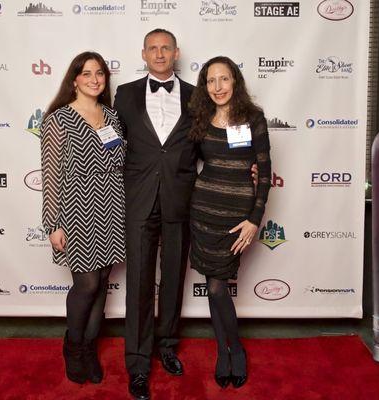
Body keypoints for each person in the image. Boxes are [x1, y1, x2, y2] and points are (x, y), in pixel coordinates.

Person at [113, 29, 196, 400]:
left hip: (180, 198)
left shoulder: (197, 96)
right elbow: (113, 144)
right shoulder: (125, 94)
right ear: (143, 54)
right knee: (141, 283)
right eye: (153, 48)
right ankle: (138, 362)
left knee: (175, 276)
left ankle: (167, 346)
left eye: (166, 48)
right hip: (139, 198)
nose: (160, 54)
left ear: (176, 53)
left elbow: (210, 143)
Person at [40, 51, 126, 384]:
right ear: (74, 79)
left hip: (113, 208)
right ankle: (73, 347)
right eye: (87, 73)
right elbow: (50, 173)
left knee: (102, 281)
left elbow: (121, 159)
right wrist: (53, 223)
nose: (94, 79)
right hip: (76, 211)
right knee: (87, 283)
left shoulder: (111, 116)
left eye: (100, 74)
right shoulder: (58, 118)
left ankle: (90, 347)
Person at [188, 56, 271, 389]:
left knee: (217, 286)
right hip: (203, 212)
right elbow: (184, 163)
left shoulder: (253, 118)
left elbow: (264, 173)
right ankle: (225, 352)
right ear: (204, 86)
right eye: (210, 81)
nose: (217, 87)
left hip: (236, 219)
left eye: (223, 79)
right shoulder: (201, 118)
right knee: (213, 285)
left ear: (235, 82)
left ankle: (234, 349)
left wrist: (254, 219)